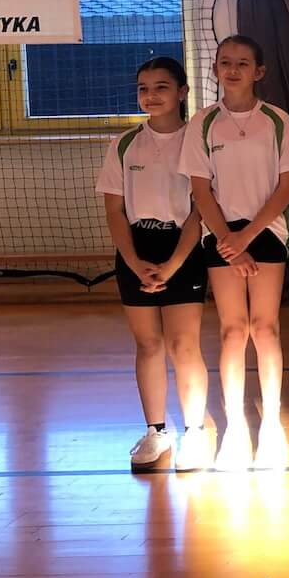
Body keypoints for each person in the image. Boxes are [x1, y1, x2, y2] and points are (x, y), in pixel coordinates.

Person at [179, 35, 289, 470]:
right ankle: (235, 428)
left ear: (259, 71)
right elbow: (201, 190)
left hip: (264, 231)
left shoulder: (278, 121)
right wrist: (227, 239)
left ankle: (272, 426)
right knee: (233, 331)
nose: (233, 70)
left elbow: (287, 186)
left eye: (243, 63)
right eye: (225, 62)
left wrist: (247, 236)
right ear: (215, 68)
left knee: (264, 329)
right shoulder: (203, 123)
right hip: (221, 235)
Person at [97, 57, 211, 470]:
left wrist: (174, 264)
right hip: (136, 250)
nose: (151, 95)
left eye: (161, 86)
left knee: (183, 344)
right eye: (143, 88)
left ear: (182, 92)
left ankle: (195, 432)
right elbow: (114, 210)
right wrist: (134, 262)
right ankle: (156, 432)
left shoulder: (197, 141)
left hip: (183, 248)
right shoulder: (124, 144)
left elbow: (200, 209)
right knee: (147, 344)